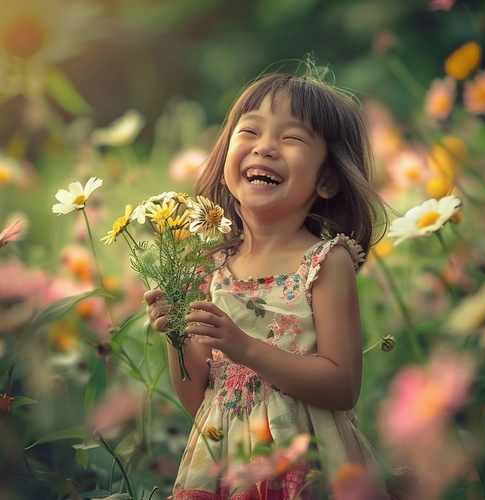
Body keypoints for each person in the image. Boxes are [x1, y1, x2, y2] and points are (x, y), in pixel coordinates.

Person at [144, 67, 389, 499]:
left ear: (328, 179)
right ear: (224, 163)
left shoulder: (325, 262)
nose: (266, 147)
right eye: (250, 131)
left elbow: (343, 385)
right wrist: (176, 336)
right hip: (224, 462)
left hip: (306, 460)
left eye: (291, 138)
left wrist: (245, 348)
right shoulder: (208, 265)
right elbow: (198, 397)